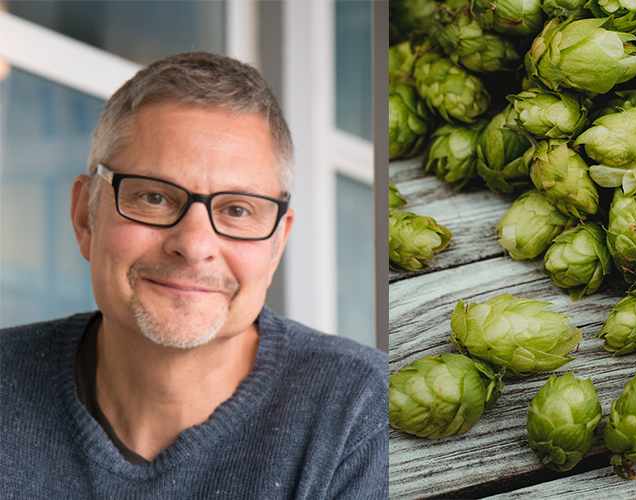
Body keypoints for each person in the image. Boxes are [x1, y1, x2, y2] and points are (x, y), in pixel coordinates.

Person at [0, 51, 388, 499]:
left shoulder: (364, 416)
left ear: (277, 243)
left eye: (238, 210)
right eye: (154, 198)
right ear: (85, 217)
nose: (195, 245)